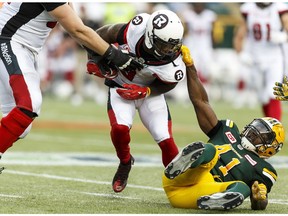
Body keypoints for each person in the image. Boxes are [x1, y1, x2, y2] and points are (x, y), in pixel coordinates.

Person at [0, 2, 143, 172]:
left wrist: (96, 53)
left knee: (20, 126)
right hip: (9, 42)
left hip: (22, 48)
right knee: (30, 104)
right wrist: (116, 56)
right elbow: (78, 30)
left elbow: (77, 28)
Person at [161, 45, 285, 210]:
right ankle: (179, 164)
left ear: (271, 149)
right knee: (209, 150)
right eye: (257, 126)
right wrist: (190, 68)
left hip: (198, 194)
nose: (256, 131)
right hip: (183, 178)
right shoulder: (228, 130)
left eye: (264, 133)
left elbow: (259, 204)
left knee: (243, 188)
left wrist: (259, 197)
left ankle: (217, 200)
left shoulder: (264, 170)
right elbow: (201, 102)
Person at [87, 9, 186, 193]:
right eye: (164, 45)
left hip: (150, 94)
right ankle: (125, 162)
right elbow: (101, 34)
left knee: (166, 140)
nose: (169, 50)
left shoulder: (173, 62)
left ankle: (179, 186)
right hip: (121, 87)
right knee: (119, 129)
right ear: (149, 36)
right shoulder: (137, 28)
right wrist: (95, 59)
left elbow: (169, 83)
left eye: (172, 45)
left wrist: (147, 90)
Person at [233, 2, 288, 121]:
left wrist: (283, 36)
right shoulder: (248, 9)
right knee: (262, 97)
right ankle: (269, 125)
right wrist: (241, 53)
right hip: (255, 59)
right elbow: (239, 36)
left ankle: (274, 130)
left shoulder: (280, 8)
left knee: (273, 92)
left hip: (274, 58)